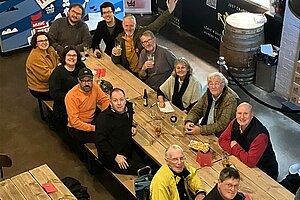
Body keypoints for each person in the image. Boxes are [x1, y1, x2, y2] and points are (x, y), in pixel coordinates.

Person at [111, 0, 178, 74]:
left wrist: (169, 11)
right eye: (126, 26)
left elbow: (156, 24)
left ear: (135, 25)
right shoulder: (119, 40)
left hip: (144, 73)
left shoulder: (141, 33)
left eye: (131, 25)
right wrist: (115, 55)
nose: (129, 28)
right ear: (123, 26)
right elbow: (116, 61)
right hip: (128, 72)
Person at [219, 102, 279, 180]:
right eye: (239, 113)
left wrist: (235, 147)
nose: (242, 117)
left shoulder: (260, 135)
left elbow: (250, 162)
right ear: (236, 114)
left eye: (246, 113)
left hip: (263, 170)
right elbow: (222, 140)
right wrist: (239, 153)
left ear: (252, 115)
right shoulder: (235, 122)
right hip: (242, 162)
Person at [95, 88, 145, 175]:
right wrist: (115, 156)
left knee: (147, 161)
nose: (119, 103)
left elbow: (130, 116)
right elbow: (99, 141)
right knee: (143, 169)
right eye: (115, 100)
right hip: (112, 158)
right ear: (110, 102)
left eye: (121, 100)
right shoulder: (103, 119)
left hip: (127, 149)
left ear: (125, 100)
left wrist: (132, 125)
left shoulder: (128, 107)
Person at [184, 72, 239, 137]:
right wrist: (190, 121)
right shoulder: (208, 93)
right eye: (210, 83)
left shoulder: (230, 99)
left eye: (216, 83)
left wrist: (200, 130)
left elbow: (223, 124)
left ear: (223, 84)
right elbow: (196, 110)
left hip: (220, 136)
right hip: (205, 129)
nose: (213, 87)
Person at [65, 68, 110, 142]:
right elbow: (74, 122)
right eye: (83, 81)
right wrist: (93, 128)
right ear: (78, 80)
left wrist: (103, 116)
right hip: (77, 128)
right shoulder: (71, 96)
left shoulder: (94, 86)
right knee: (105, 137)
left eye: (89, 80)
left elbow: (105, 100)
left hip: (91, 120)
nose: (86, 84)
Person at [49, 46, 85, 129]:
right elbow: (54, 94)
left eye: (74, 55)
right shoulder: (57, 73)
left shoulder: (81, 66)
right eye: (69, 55)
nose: (72, 58)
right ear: (64, 57)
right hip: (64, 104)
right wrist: (72, 98)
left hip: (81, 100)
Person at [26, 31, 59, 100]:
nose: (44, 43)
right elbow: (46, 77)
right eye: (40, 41)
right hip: (42, 90)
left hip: (53, 82)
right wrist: (59, 68)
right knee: (69, 89)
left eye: (46, 40)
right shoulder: (35, 57)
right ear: (36, 44)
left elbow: (58, 58)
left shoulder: (50, 49)